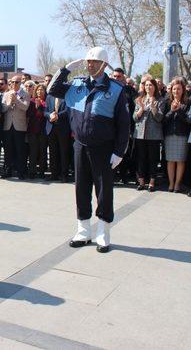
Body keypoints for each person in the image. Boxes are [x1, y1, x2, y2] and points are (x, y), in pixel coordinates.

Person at [48, 47, 130, 253]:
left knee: (104, 191)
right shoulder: (77, 84)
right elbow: (52, 89)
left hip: (103, 148)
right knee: (81, 188)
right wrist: (66, 69)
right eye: (88, 61)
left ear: (104, 64)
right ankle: (83, 231)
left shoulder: (116, 89)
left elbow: (124, 125)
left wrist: (119, 152)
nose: (89, 64)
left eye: (94, 61)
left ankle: (103, 233)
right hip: (80, 145)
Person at [133, 75, 164, 192]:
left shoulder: (160, 100)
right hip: (140, 134)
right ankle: (141, 181)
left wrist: (153, 107)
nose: (148, 87)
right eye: (146, 85)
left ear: (155, 87)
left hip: (154, 135)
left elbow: (160, 118)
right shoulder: (139, 100)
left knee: (153, 158)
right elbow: (135, 118)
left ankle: (151, 182)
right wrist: (141, 109)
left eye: (150, 85)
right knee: (140, 158)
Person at [161, 78, 190, 193]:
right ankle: (171, 183)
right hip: (169, 135)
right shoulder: (167, 102)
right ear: (171, 90)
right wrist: (172, 110)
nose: (176, 91)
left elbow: (188, 120)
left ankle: (178, 184)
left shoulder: (187, 102)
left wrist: (179, 110)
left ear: (183, 90)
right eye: (174, 89)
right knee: (170, 160)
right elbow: (163, 120)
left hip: (182, 135)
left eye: (179, 88)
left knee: (181, 160)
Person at [1, 77, 30, 179]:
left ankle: (21, 172)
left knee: (20, 150)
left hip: (19, 126)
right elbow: (3, 109)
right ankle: (8, 171)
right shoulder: (6, 94)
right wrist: (9, 104)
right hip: (8, 126)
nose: (14, 84)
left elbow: (25, 107)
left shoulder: (25, 94)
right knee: (8, 150)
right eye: (12, 82)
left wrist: (16, 100)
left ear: (20, 83)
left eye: (16, 82)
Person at [45, 90, 70, 182]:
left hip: (63, 128)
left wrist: (58, 115)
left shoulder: (67, 95)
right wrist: (49, 115)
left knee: (63, 152)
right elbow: (45, 111)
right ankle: (54, 174)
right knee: (53, 152)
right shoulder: (49, 97)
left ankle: (64, 175)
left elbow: (69, 110)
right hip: (51, 127)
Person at [27, 83, 48, 179]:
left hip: (44, 130)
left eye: (42, 90)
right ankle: (32, 171)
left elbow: (45, 114)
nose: (40, 91)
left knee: (43, 152)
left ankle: (42, 171)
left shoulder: (47, 101)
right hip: (32, 130)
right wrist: (35, 107)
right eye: (38, 90)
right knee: (33, 152)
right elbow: (29, 114)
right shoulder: (31, 101)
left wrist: (40, 107)